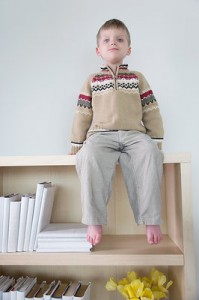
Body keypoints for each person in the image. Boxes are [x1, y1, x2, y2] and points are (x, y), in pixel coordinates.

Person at [70, 19, 164, 246]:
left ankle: (151, 218)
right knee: (89, 156)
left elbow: (151, 109)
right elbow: (82, 113)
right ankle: (94, 220)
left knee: (150, 153)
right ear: (98, 50)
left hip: (134, 135)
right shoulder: (92, 80)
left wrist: (156, 140)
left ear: (128, 49)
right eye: (107, 40)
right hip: (100, 135)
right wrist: (76, 144)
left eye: (120, 39)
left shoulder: (137, 78)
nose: (113, 43)